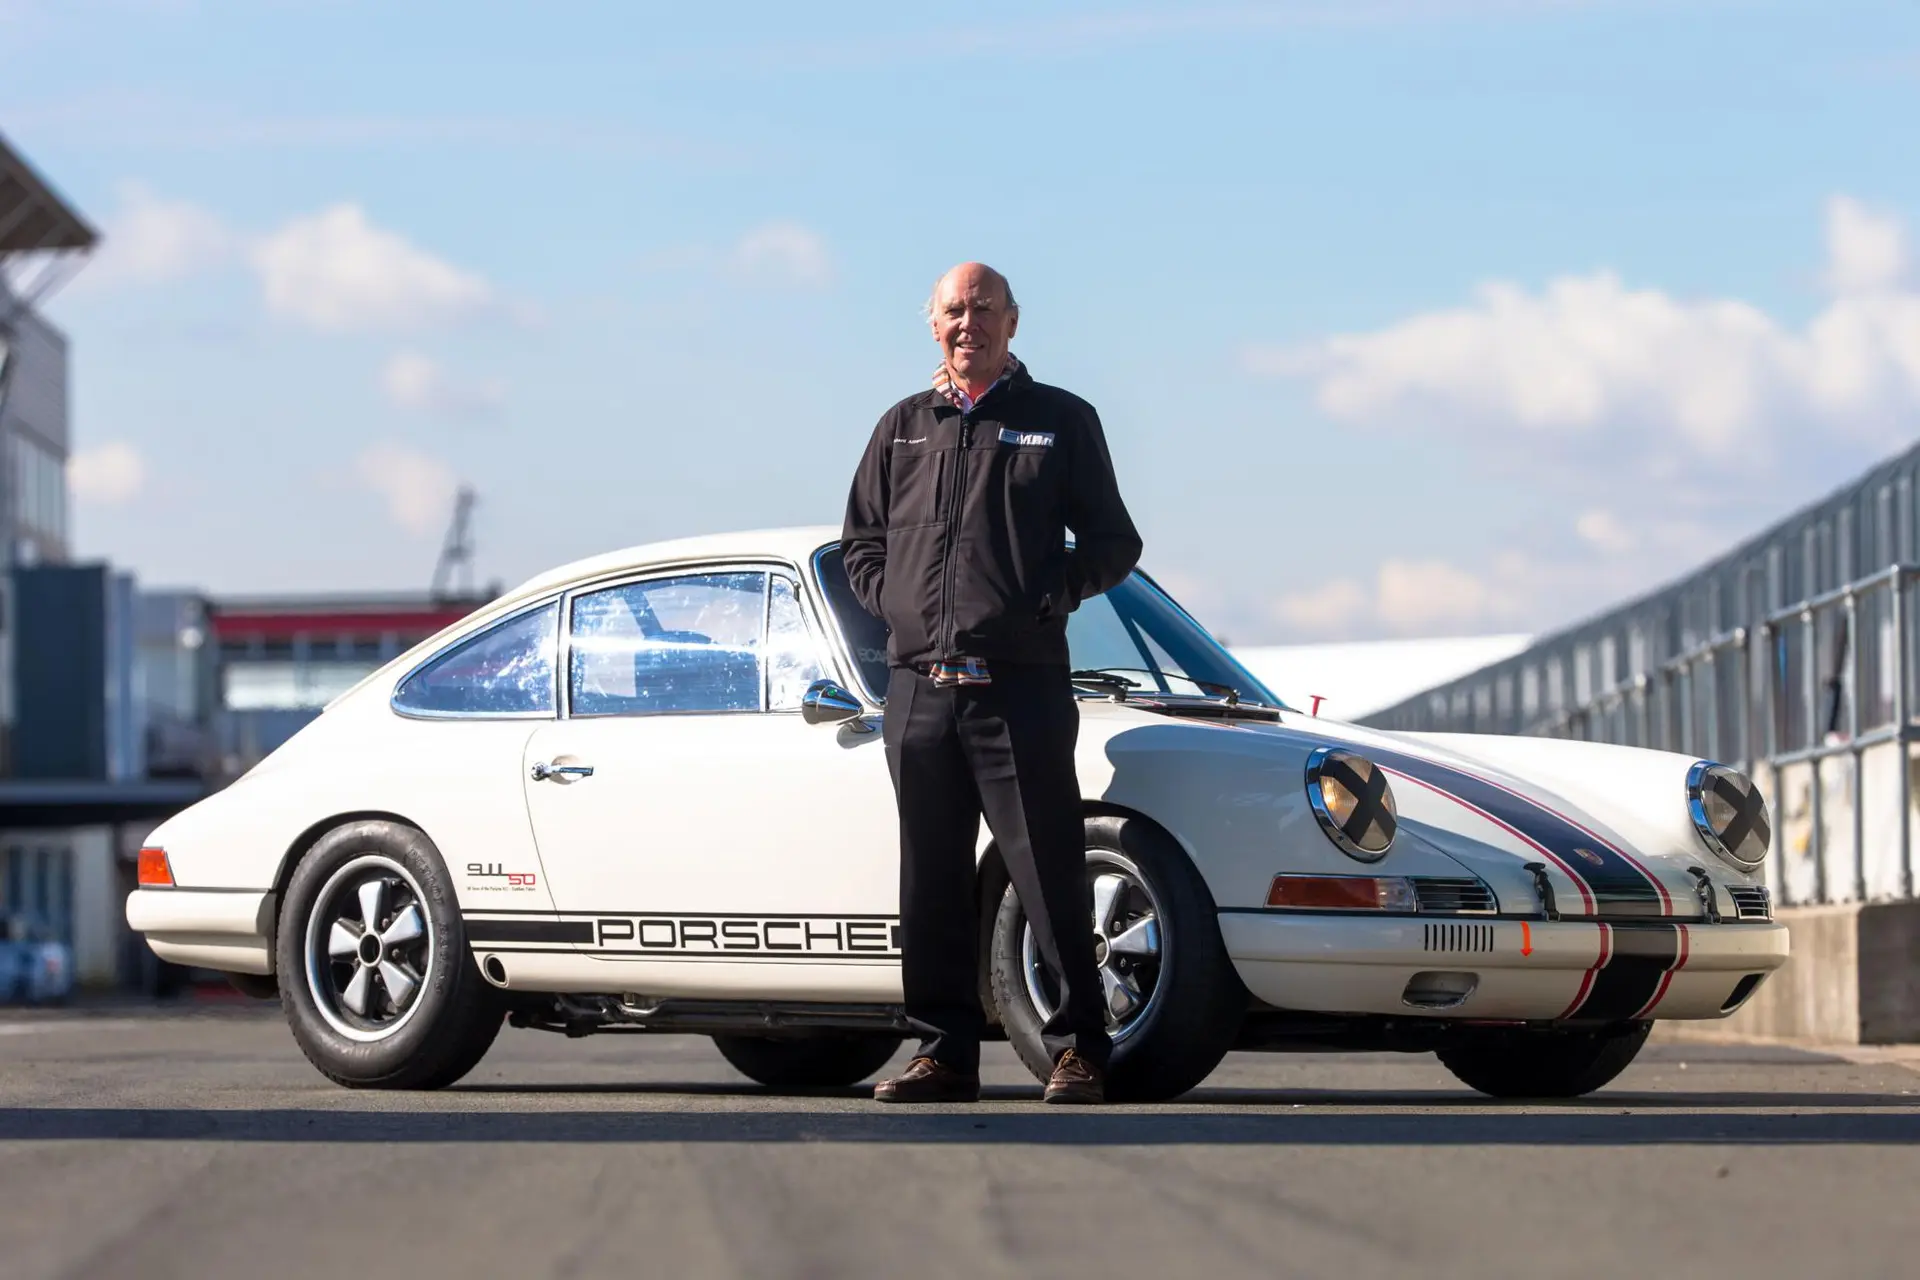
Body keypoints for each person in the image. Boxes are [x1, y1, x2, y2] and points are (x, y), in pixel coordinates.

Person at [841, 262, 1142, 1104]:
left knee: (1046, 871)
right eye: (952, 311)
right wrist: (896, 608)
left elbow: (1115, 543)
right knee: (930, 882)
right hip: (920, 694)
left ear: (1013, 321)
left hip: (1019, 692)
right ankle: (943, 1053)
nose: (966, 322)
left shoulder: (1058, 421)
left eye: (982, 309)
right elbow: (860, 544)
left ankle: (1080, 1048)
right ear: (930, 324)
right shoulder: (902, 428)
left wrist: (1048, 598)